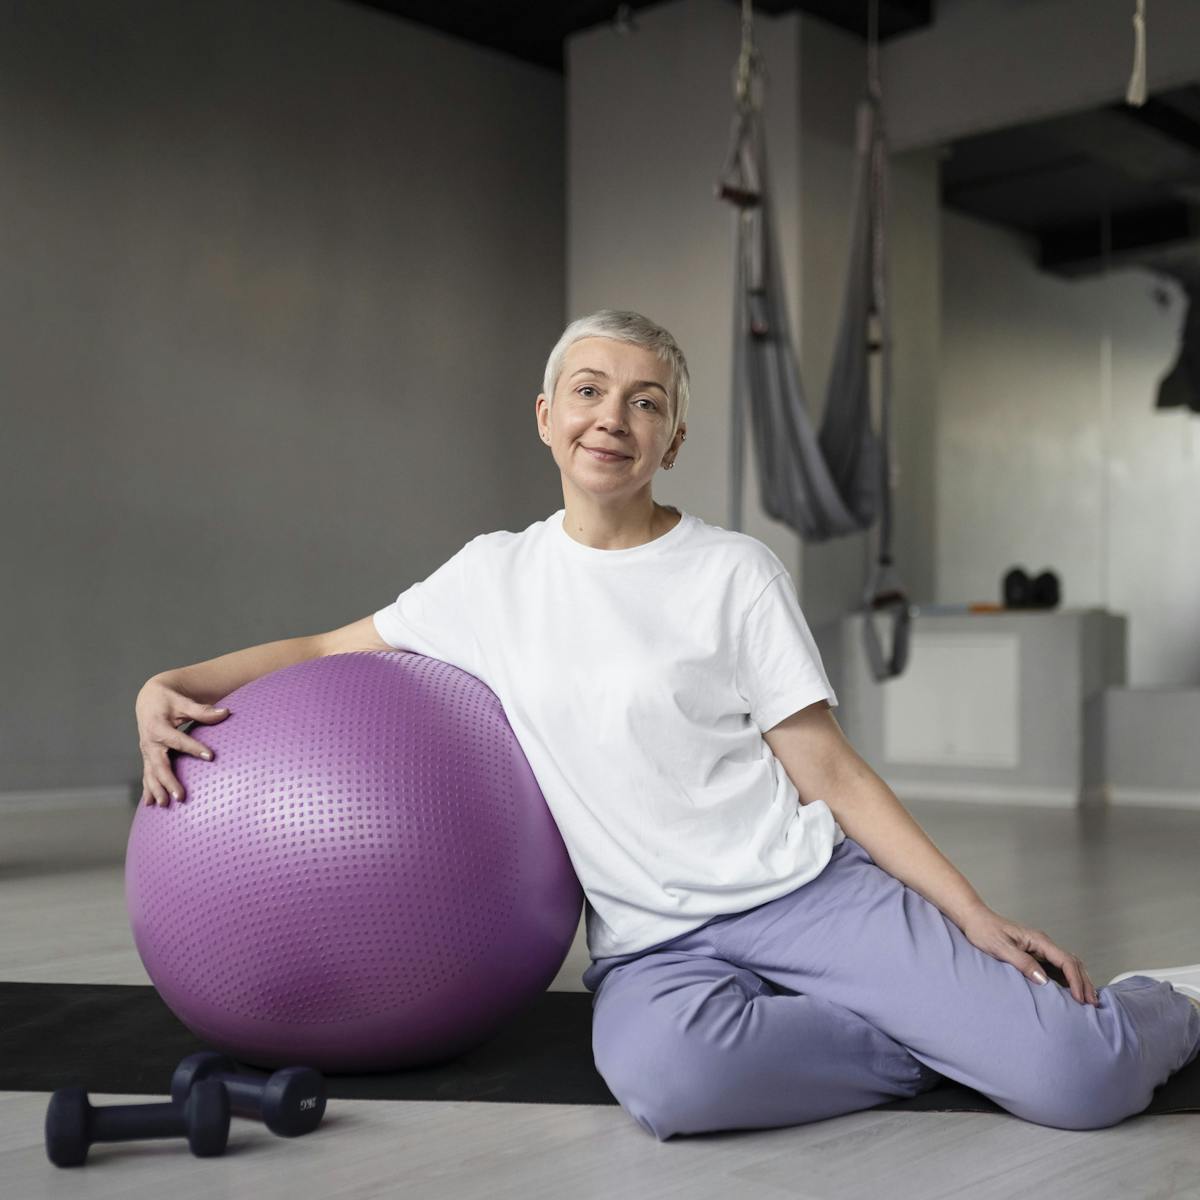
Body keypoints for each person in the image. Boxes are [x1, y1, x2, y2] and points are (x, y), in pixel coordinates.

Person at [136, 308, 1200, 1140]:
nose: (614, 417)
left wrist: (971, 915)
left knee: (1083, 1082)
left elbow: (828, 768)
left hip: (807, 895)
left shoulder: (733, 572)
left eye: (646, 402)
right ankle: (925, 1041)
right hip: (653, 941)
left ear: (673, 436)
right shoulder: (490, 577)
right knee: (667, 1084)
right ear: (546, 414)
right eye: (590, 391)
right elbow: (325, 652)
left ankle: (1171, 1000)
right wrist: (170, 679)